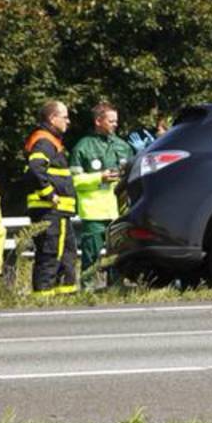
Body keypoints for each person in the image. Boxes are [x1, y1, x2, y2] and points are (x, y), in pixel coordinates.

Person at [71, 101, 135, 288]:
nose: (115, 124)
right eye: (111, 120)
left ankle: (115, 290)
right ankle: (87, 291)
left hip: (119, 211)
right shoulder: (83, 147)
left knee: (117, 256)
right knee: (91, 256)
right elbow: (74, 181)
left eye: (116, 121)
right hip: (94, 212)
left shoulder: (123, 146)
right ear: (98, 121)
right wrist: (100, 177)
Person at [24, 101, 79, 296]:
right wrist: (49, 193)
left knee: (66, 254)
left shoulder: (51, 141)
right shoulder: (44, 141)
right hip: (50, 209)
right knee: (50, 254)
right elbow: (35, 168)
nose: (68, 121)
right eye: (64, 117)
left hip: (58, 211)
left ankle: (65, 295)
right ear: (52, 118)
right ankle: (43, 298)